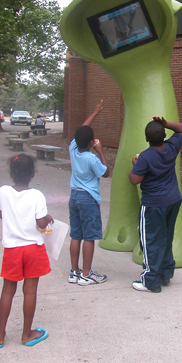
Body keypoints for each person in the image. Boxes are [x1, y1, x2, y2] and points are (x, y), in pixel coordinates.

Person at [0, 154, 53, 348]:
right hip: (33, 248)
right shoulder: (37, 196)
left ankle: (0, 335)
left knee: (7, 291)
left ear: (11, 173)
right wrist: (48, 218)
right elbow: (41, 223)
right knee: (30, 291)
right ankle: (26, 334)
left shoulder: (3, 192)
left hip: (12, 249)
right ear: (33, 174)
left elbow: (1, 214)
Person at [129, 116, 182, 293]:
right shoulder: (171, 147)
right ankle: (165, 273)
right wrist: (166, 124)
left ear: (146, 138)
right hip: (173, 200)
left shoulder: (145, 157)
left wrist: (136, 165)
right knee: (166, 238)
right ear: (164, 135)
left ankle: (151, 280)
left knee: (151, 240)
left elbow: (134, 180)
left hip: (153, 204)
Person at [68, 100, 109, 286]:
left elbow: (82, 128)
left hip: (74, 196)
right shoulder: (92, 158)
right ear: (92, 142)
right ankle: (86, 274)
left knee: (76, 235)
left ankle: (74, 272)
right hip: (88, 199)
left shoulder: (73, 149)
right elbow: (106, 172)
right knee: (89, 237)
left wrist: (95, 112)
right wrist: (101, 151)